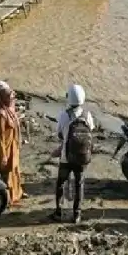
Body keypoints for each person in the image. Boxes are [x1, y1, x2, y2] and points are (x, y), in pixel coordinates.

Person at [51, 83, 95, 224]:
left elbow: (59, 134)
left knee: (61, 183)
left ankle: (58, 212)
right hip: (82, 156)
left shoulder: (64, 115)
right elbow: (91, 132)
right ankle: (77, 214)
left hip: (66, 157)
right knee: (79, 184)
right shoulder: (87, 115)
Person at [0, 82, 24, 206]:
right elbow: (0, 136)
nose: (11, 99)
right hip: (5, 147)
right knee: (6, 172)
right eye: (8, 97)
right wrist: (4, 155)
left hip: (13, 145)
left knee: (15, 169)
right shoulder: (1, 114)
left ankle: (17, 192)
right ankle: (8, 197)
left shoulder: (9, 108)